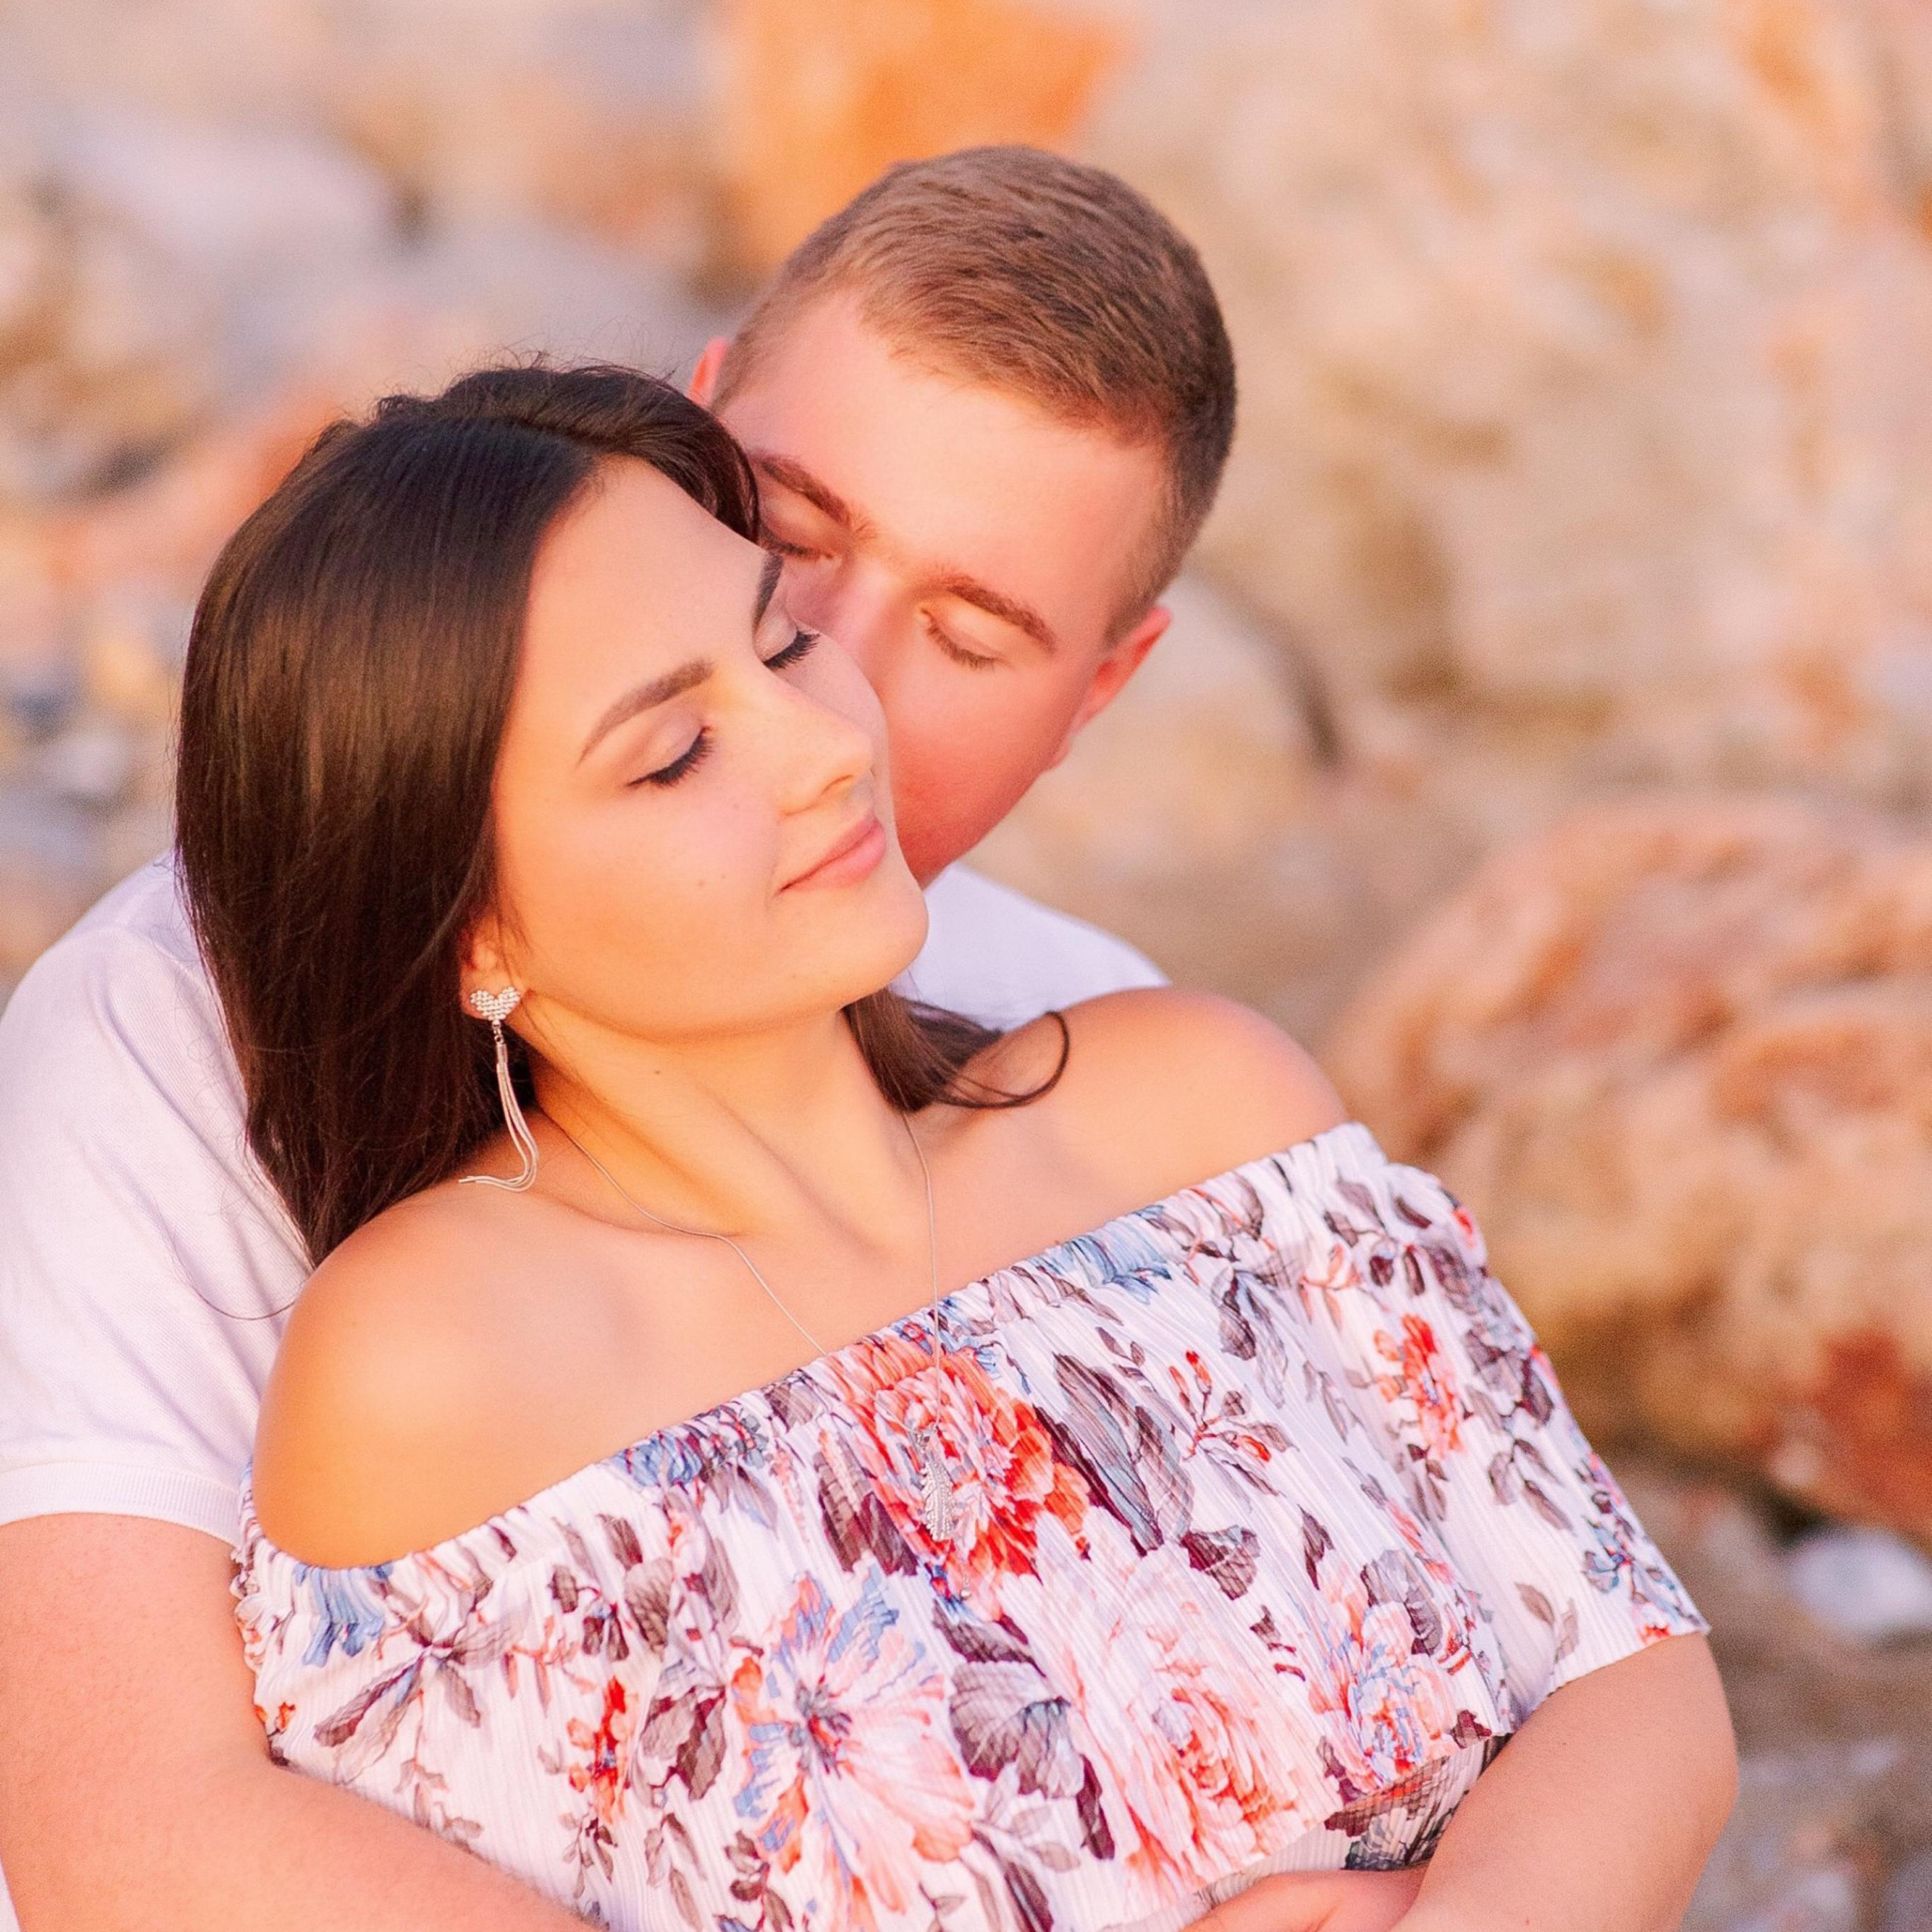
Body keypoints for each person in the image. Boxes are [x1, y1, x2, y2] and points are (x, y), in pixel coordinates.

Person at [203, 360, 1730, 1932]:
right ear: (469, 931)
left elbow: (1631, 1669)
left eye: (779, 636)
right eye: (672, 753)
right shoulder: (443, 1365)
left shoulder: (1190, 1108)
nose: (819, 741)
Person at [0, 148, 1214, 1931]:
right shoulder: (165, 1031)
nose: (838, 694)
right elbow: (129, 1829)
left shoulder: (1085, 1053)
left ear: (1096, 690)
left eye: (965, 637)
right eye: (789, 556)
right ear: (691, 426)